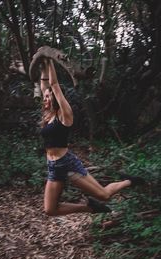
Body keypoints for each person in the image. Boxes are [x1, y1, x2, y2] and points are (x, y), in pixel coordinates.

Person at [38, 56, 144, 216]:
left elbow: (53, 85)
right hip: (53, 167)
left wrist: (50, 57)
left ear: (56, 97)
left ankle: (131, 181)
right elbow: (45, 84)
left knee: (105, 195)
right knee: (50, 209)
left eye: (48, 96)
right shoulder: (48, 115)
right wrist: (43, 63)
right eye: (44, 96)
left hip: (67, 164)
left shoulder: (65, 114)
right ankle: (90, 207)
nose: (44, 98)